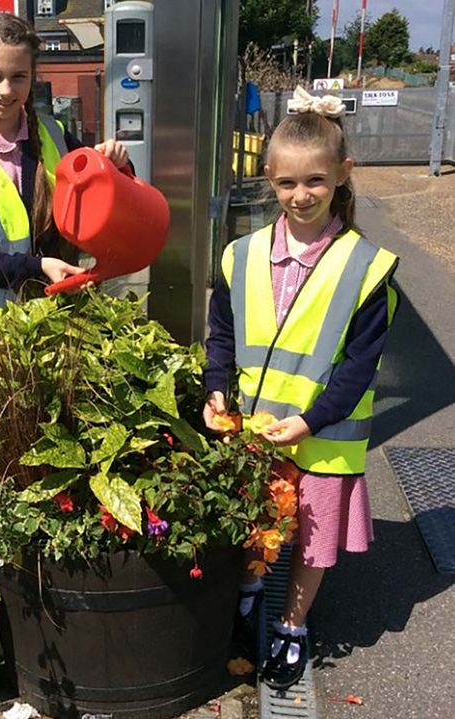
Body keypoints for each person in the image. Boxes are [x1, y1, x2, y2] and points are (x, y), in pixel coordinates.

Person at [202, 86, 399, 690]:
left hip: (325, 436)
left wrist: (312, 421)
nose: (301, 195)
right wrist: (216, 390)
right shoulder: (240, 256)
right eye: (287, 184)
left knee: (311, 540)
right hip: (258, 430)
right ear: (268, 179)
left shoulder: (367, 268)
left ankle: (291, 624)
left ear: (342, 175)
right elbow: (222, 335)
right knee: (255, 526)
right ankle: (252, 590)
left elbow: (357, 369)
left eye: (316, 181)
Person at [0, 12, 129, 317]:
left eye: (18, 76)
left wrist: (115, 166)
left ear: (34, 73)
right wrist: (39, 266)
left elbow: (107, 205)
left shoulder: (56, 136)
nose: (6, 90)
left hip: (63, 321)